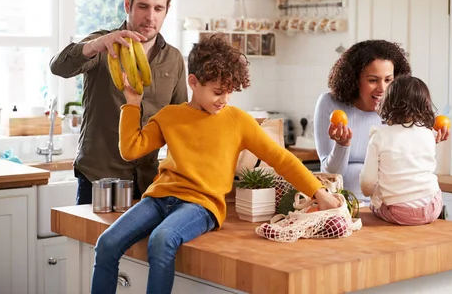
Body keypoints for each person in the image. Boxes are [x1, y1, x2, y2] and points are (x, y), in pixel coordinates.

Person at [91, 33, 341, 294]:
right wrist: (132, 104)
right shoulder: (171, 116)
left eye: (230, 92)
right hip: (159, 197)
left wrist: (318, 192)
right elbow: (130, 149)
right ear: (193, 82)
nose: (224, 100)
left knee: (161, 240)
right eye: (218, 92)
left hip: (202, 205)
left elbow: (281, 159)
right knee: (107, 243)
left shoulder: (237, 121)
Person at [49, 0, 187, 205]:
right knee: (93, 244)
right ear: (127, 4)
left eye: (158, 8)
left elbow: (182, 122)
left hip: (148, 184)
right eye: (143, 6)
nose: (150, 16)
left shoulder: (173, 59)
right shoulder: (103, 45)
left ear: (167, 10)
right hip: (98, 180)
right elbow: (58, 67)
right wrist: (97, 45)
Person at [313, 40, 449, 203]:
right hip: (344, 203)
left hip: (391, 204)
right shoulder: (330, 104)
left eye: (388, 80)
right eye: (372, 80)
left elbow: (408, 166)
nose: (382, 89)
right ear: (354, 79)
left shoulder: (400, 108)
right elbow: (329, 175)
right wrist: (342, 145)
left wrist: (424, 138)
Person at [360, 75, 443, 225]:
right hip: (433, 206)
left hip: (400, 212)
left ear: (387, 103)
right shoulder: (428, 133)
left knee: (375, 202)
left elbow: (367, 184)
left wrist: (373, 196)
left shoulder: (379, 136)